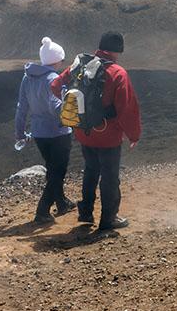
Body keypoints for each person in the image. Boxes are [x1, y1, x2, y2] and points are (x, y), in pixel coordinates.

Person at [52, 31, 141, 230]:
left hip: (84, 131)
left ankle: (85, 212)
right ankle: (109, 219)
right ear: (117, 51)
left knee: (91, 171)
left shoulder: (80, 65)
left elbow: (55, 85)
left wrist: (72, 108)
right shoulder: (118, 73)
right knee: (109, 176)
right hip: (108, 135)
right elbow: (127, 107)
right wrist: (133, 135)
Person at [15, 37, 76, 223]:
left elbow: (21, 107)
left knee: (52, 168)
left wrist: (19, 133)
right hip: (58, 133)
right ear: (56, 60)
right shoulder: (53, 79)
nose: (62, 63)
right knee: (58, 172)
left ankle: (61, 202)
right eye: (62, 60)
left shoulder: (28, 77)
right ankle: (42, 211)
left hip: (39, 134)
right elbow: (56, 106)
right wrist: (74, 113)